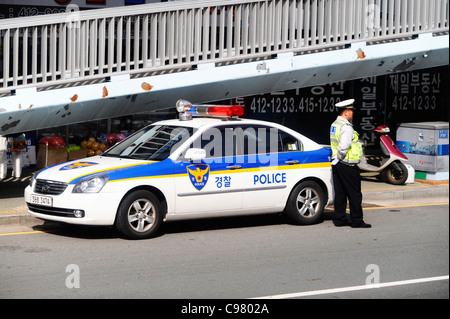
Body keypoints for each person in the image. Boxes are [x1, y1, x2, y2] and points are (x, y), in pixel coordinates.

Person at [330, 99, 371, 228]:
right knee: (354, 194)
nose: (353, 114)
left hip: (337, 164)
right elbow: (343, 146)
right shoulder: (346, 127)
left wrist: (336, 160)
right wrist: (340, 157)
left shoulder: (334, 124)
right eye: (351, 111)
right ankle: (357, 221)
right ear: (346, 112)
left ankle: (339, 219)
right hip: (347, 164)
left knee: (340, 193)